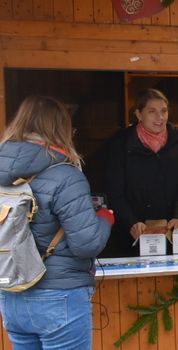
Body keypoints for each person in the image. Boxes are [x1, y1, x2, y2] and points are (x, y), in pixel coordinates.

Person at [0, 95, 113, 348]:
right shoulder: (65, 174)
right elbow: (86, 244)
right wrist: (105, 219)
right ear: (61, 128)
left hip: (11, 294)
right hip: (59, 294)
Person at [103, 89, 178, 257]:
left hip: (170, 230)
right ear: (139, 114)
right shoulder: (120, 144)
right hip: (134, 233)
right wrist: (131, 222)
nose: (160, 118)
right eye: (152, 112)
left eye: (164, 111)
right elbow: (115, 192)